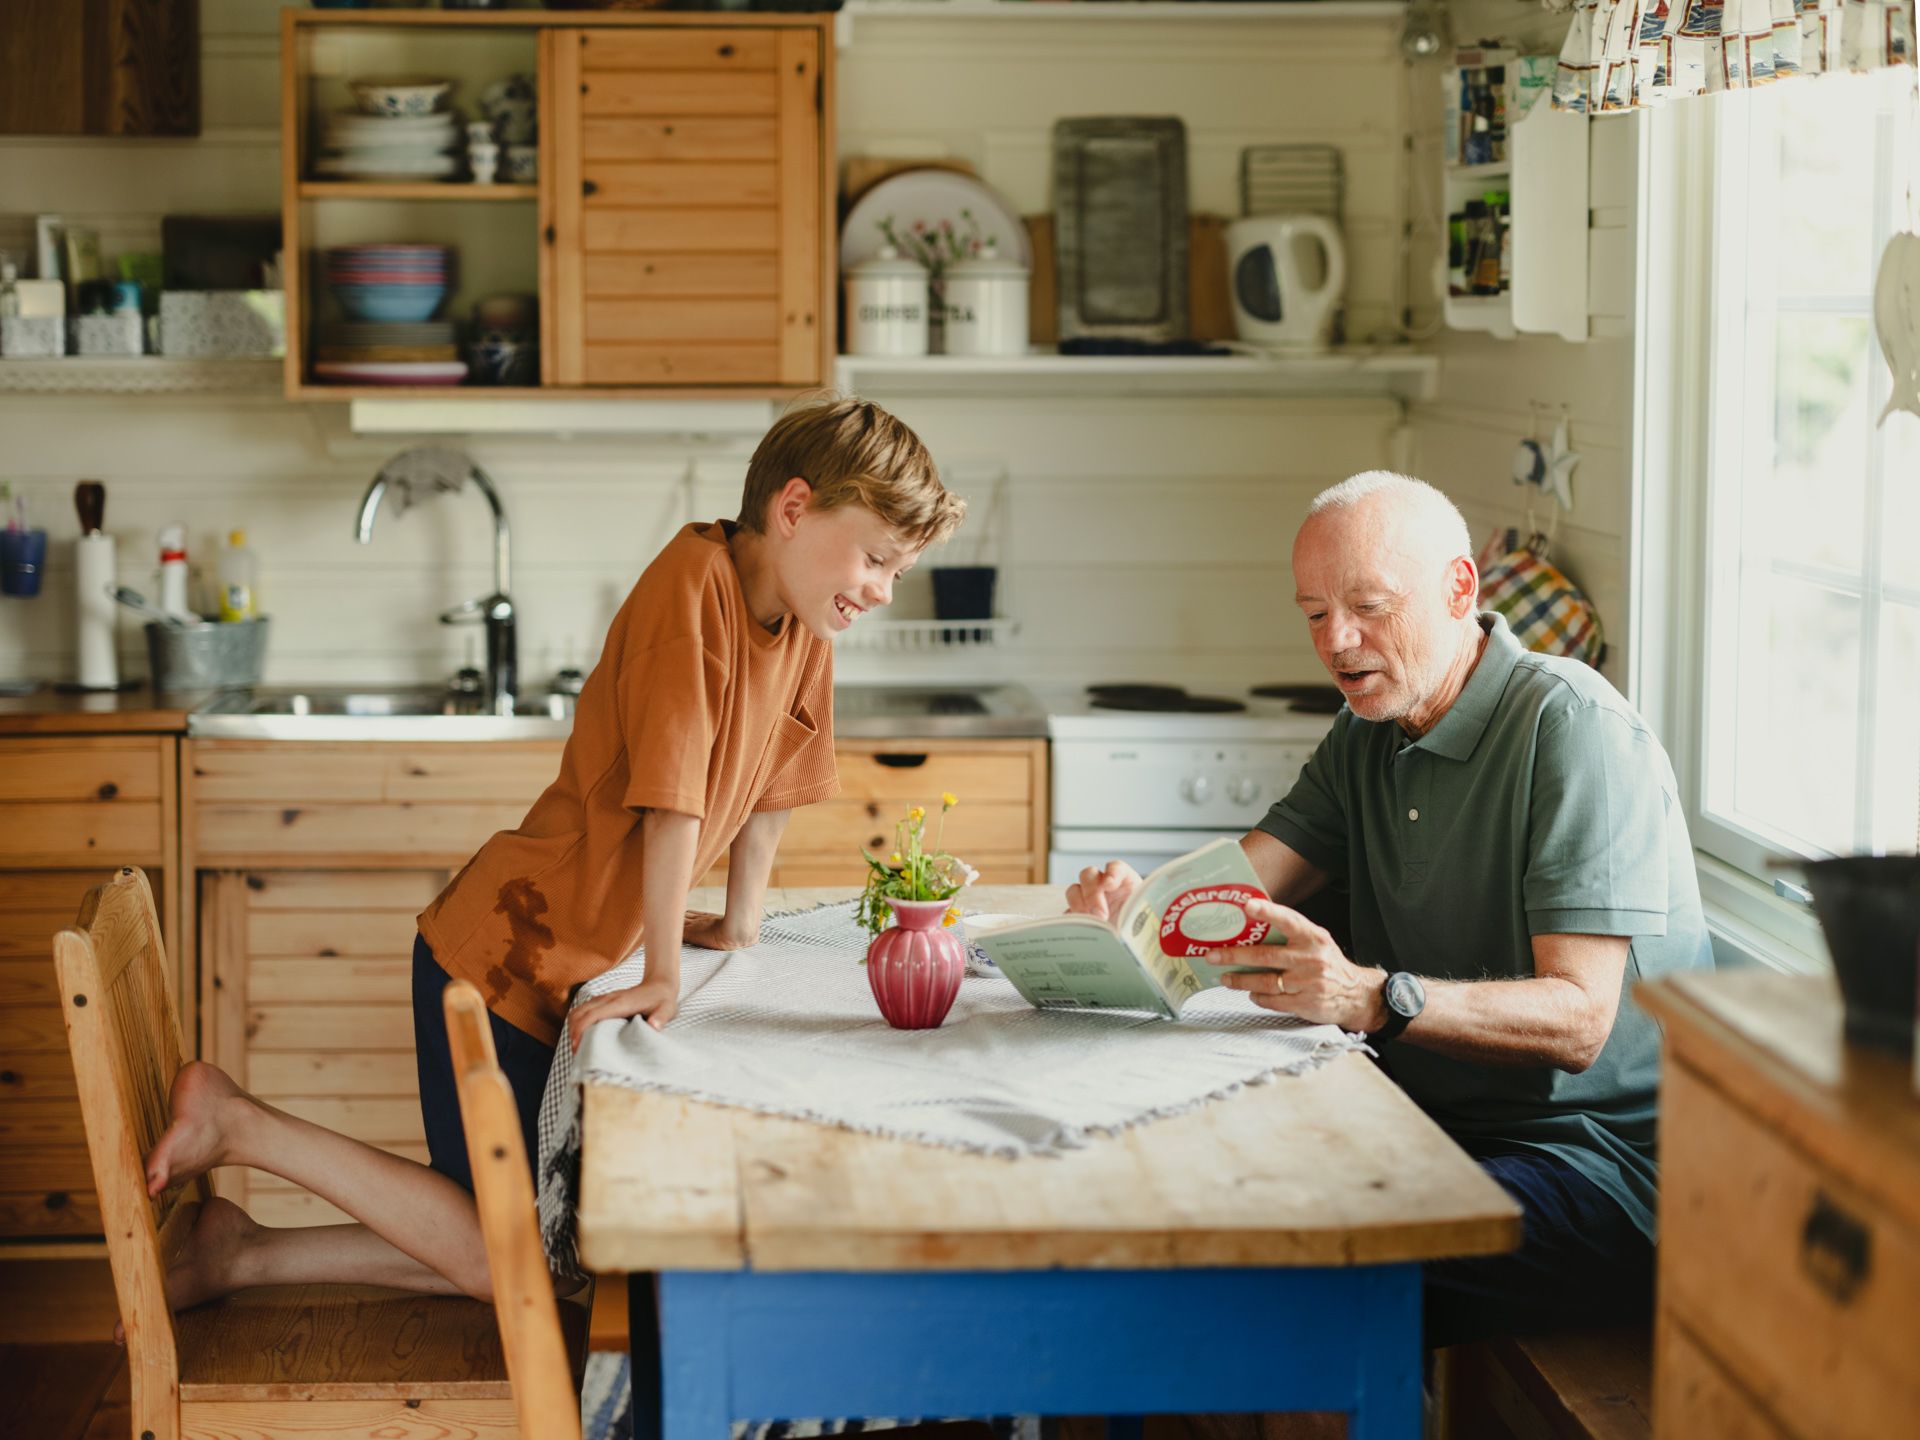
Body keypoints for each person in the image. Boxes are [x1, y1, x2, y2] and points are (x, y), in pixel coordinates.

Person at [143, 395, 965, 1310]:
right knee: (525, 1253)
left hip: (568, 966)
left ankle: (234, 1253)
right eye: (878, 558)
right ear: (795, 508)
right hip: (505, 958)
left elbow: (775, 787)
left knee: (537, 1246)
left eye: (900, 568)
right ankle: (239, 1124)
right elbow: (673, 796)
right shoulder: (693, 584)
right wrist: (660, 969)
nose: (885, 588)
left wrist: (737, 925)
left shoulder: (810, 622)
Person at [1068, 470, 1712, 1348]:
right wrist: (1134, 913)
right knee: (1154, 1190)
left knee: (1283, 1275)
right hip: (1421, 1121)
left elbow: (1579, 1021)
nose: (1337, 641)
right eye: (1313, 612)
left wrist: (1373, 997)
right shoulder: (1369, 726)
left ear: (1460, 589)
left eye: (1369, 605)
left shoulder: (1574, 728)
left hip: (1602, 1174)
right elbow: (1240, 889)